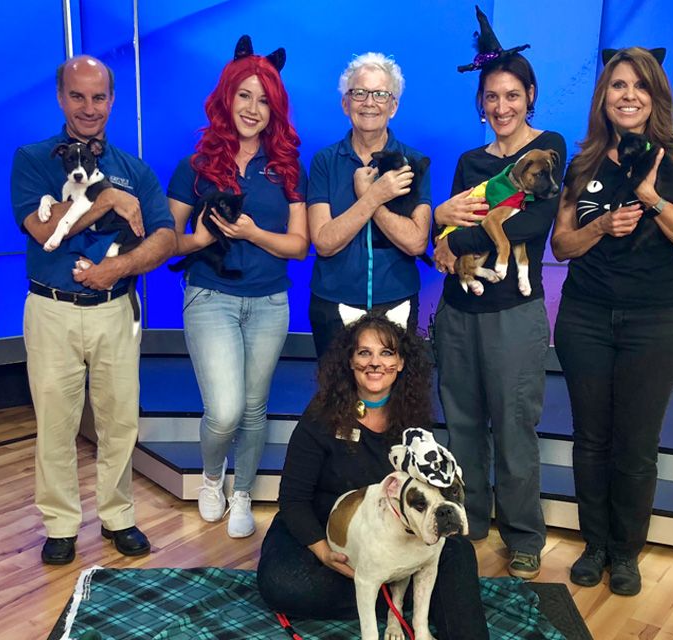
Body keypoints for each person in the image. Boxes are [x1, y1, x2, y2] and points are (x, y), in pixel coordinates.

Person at [551, 46, 673, 596]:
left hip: (654, 321)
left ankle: (626, 552)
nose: (629, 95)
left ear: (655, 96)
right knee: (590, 438)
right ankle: (594, 545)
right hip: (586, 317)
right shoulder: (585, 160)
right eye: (618, 85)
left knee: (638, 444)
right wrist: (602, 228)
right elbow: (563, 243)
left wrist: (649, 197)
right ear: (604, 96)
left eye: (640, 86)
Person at [10, 55, 177, 564]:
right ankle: (60, 525)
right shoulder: (35, 158)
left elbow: (166, 237)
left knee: (120, 421)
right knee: (56, 424)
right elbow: (41, 230)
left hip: (115, 308)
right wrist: (105, 202)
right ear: (61, 99)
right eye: (77, 96)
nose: (89, 107)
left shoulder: (135, 169)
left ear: (111, 101)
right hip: (51, 310)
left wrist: (119, 267)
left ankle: (118, 516)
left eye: (98, 97)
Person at [432, 8, 566, 580]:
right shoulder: (471, 160)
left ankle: (524, 535)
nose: (502, 106)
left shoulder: (548, 150)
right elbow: (454, 233)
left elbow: (535, 227)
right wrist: (446, 230)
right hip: (459, 308)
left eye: (512, 95)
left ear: (529, 96)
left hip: (514, 313)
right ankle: (470, 521)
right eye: (492, 97)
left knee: (513, 425)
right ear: (481, 102)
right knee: (461, 422)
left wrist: (467, 227)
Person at [256, 311, 488, 638]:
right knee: (282, 583)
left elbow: (433, 492)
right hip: (327, 526)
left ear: (402, 363)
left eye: (386, 353)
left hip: (399, 531)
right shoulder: (322, 412)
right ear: (349, 362)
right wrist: (323, 552)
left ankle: (407, 600)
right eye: (364, 352)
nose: (375, 363)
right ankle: (393, 596)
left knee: (459, 553)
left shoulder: (415, 417)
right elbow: (293, 500)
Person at [168, 36, 308, 538]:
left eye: (264, 99)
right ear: (227, 97)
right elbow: (168, 242)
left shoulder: (288, 167)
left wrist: (253, 233)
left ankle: (243, 490)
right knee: (224, 411)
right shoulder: (195, 166)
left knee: (253, 408)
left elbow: (298, 246)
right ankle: (212, 479)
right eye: (244, 95)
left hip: (270, 302)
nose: (253, 108)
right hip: (210, 298)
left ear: (276, 107)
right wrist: (202, 237)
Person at [307, 52, 432, 358]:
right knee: (336, 400)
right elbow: (323, 242)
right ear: (345, 104)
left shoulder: (412, 162)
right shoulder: (325, 161)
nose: (369, 102)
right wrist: (375, 195)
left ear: (394, 106)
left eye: (380, 94)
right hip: (333, 305)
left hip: (397, 302)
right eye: (359, 93)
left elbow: (416, 241)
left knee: (395, 401)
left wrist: (371, 199)